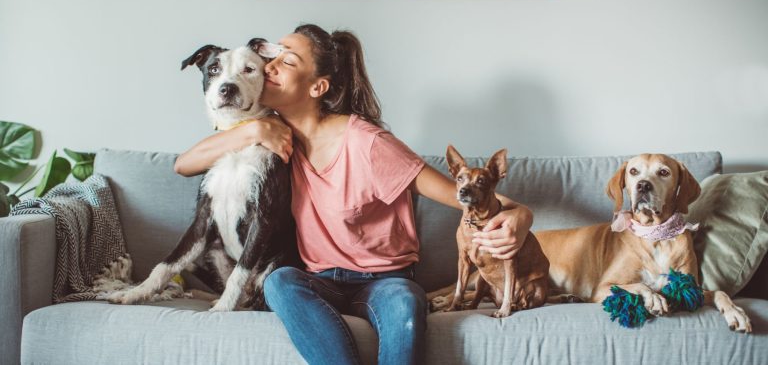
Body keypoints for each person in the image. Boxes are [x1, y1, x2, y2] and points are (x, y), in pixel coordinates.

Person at [174, 24, 533, 365]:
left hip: (385, 282)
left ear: (317, 88)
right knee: (280, 281)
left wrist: (521, 215)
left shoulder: (368, 143)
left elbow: (463, 197)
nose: (270, 65)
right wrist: (250, 132)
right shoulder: (272, 135)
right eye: (273, 57)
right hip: (319, 279)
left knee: (407, 303)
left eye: (287, 60)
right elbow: (184, 164)